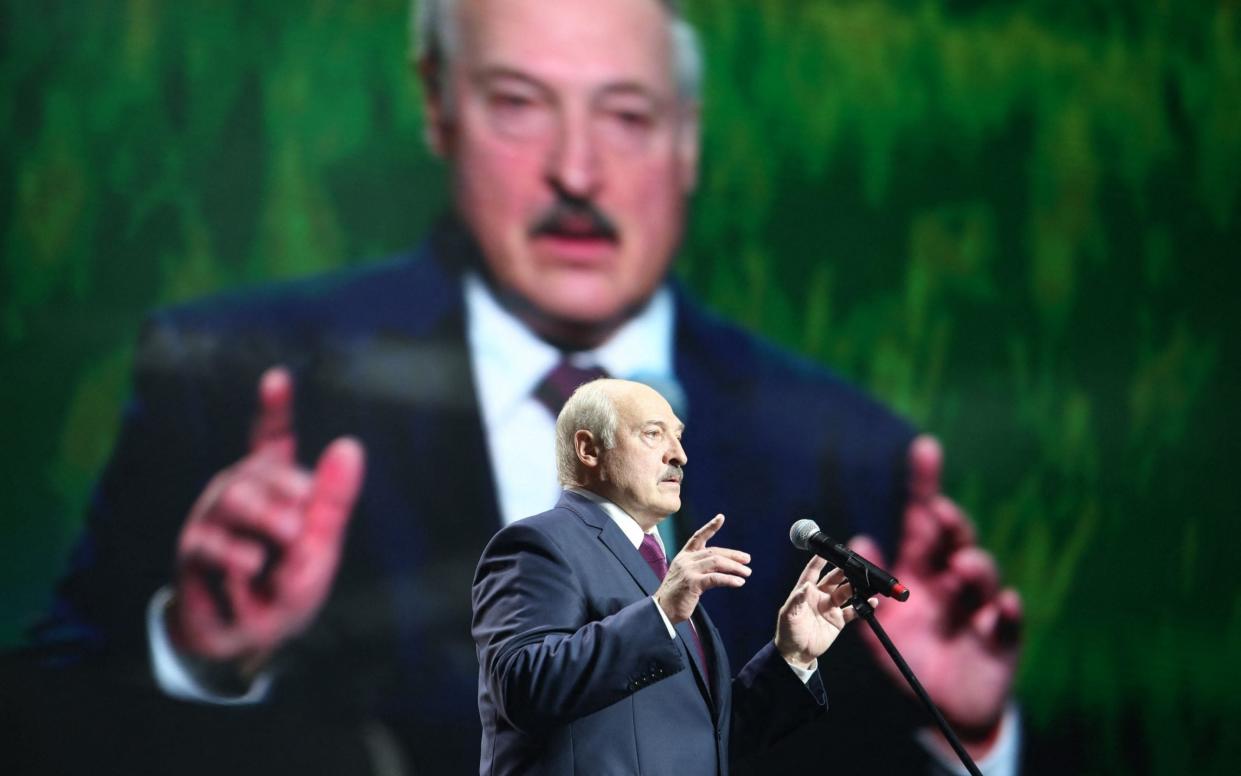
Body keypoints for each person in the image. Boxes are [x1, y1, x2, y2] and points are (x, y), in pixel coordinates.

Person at [25, 0, 1022, 773]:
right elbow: (529, 686)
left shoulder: (847, 452)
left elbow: (703, 739)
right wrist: (195, 656)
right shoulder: (232, 381)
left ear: (686, 140)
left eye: (625, 115)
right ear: (437, 108)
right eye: (518, 104)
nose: (576, 170)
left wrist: (936, 711)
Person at [473, 378, 873, 774]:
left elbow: (707, 739)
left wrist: (792, 656)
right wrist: (661, 611)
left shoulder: (657, 564)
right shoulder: (538, 543)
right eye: (653, 434)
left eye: (678, 437)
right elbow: (524, 687)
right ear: (589, 449)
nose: (679, 455)